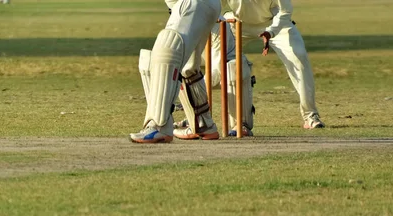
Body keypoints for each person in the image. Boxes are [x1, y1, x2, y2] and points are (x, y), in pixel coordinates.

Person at [222, 0, 325, 129]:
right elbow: (213, 6)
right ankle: (203, 115)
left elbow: (285, 11)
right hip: (237, 23)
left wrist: (271, 32)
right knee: (218, 61)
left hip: (275, 22)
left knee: (299, 57)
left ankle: (310, 115)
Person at [131, 0, 221, 143]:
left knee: (168, 50)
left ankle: (159, 126)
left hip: (192, 4)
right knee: (188, 67)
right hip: (206, 5)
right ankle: (203, 124)